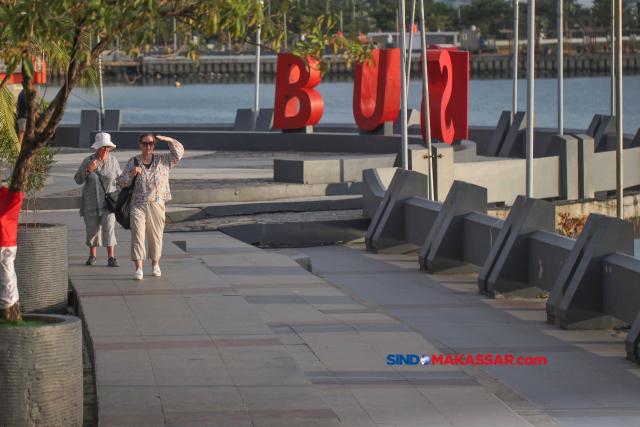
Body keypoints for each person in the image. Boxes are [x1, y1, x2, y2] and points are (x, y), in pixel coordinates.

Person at [117, 133, 184, 280]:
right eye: (145, 143)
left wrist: (169, 140)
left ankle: (155, 264)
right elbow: (121, 182)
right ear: (140, 144)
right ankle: (139, 269)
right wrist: (131, 175)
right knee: (138, 235)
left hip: (156, 203)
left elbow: (179, 153)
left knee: (156, 235)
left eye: (151, 143)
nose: (148, 146)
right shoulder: (133, 161)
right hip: (137, 204)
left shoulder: (163, 159)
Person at [74, 132, 122, 267]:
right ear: (96, 147)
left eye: (107, 147)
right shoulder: (88, 160)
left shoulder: (113, 161)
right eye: (102, 147)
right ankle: (92, 256)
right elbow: (78, 180)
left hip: (109, 202)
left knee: (109, 228)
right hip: (91, 201)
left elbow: (120, 179)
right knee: (92, 229)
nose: (105, 149)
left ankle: (111, 257)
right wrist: (88, 170)